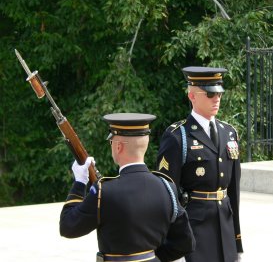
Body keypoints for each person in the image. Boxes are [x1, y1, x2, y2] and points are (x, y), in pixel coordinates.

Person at [59, 113, 195, 262]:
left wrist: (79, 183)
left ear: (118, 146)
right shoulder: (167, 187)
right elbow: (185, 243)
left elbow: (68, 226)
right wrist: (151, 258)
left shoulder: (105, 191)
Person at [157, 67, 243, 262]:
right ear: (192, 96)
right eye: (210, 93)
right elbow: (167, 194)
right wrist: (171, 242)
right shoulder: (178, 136)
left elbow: (233, 192)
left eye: (219, 93)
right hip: (194, 227)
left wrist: (237, 239)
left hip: (226, 226)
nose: (217, 98)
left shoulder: (229, 133)